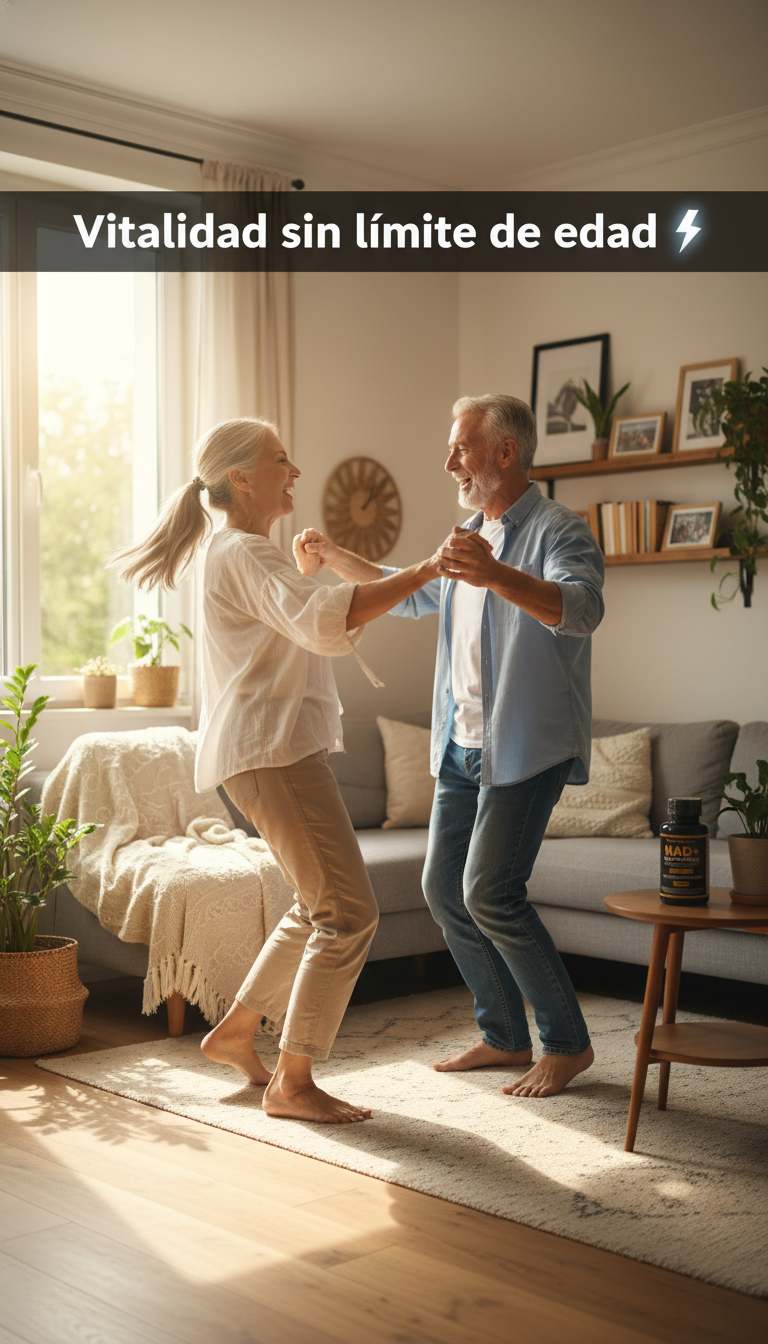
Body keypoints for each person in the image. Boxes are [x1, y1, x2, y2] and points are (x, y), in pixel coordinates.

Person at [112, 416, 442, 1124]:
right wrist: (424, 571)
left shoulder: (242, 553)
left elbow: (302, 625)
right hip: (275, 756)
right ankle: (293, 1083)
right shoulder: (240, 552)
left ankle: (235, 1033)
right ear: (242, 477)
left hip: (266, 755)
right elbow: (320, 618)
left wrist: (308, 577)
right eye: (281, 459)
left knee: (316, 904)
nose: (294, 470)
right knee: (349, 915)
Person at [294, 394, 605, 1098]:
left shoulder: (559, 529)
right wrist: (334, 554)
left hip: (527, 745)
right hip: (462, 746)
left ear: (505, 452)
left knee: (491, 893)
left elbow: (582, 609)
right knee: (443, 887)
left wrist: (493, 572)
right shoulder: (466, 531)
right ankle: (502, 1035)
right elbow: (408, 595)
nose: (449, 461)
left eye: (461, 447)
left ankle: (567, 1043)